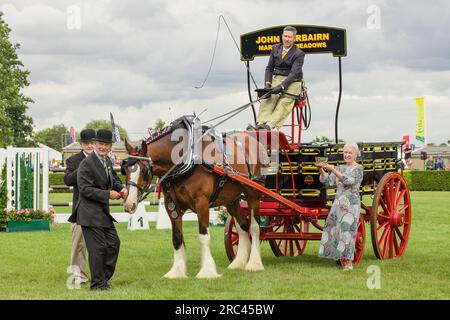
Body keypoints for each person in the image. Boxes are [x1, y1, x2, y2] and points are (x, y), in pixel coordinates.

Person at [69, 129, 128, 290]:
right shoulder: (86, 164)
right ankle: (97, 284)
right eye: (100, 144)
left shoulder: (106, 161)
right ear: (95, 144)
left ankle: (102, 278)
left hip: (102, 213)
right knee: (98, 249)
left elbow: (113, 179)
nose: (103, 147)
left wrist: (122, 188)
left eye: (106, 145)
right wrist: (108, 194)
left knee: (114, 243)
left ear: (110, 146)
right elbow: (85, 189)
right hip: (88, 213)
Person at [316, 143, 364, 271]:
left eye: (350, 153)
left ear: (355, 155)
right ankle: (337, 257)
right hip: (338, 204)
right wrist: (321, 169)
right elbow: (327, 181)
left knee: (347, 231)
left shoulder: (358, 168)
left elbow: (348, 181)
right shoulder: (340, 167)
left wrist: (332, 169)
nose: (347, 155)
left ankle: (348, 263)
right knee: (333, 230)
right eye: (345, 152)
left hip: (351, 205)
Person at [254, 26, 305, 130]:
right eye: (285, 36)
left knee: (284, 102)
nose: (287, 39)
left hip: (293, 82)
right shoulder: (275, 48)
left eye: (290, 37)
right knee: (268, 99)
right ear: (282, 36)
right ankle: (260, 124)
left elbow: (294, 73)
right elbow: (269, 68)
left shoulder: (299, 54)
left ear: (294, 39)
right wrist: (268, 84)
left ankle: (270, 125)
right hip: (277, 78)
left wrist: (281, 87)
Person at [63, 128, 96, 285]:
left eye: (92, 143)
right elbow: (68, 180)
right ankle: (78, 276)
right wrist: (84, 166)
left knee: (99, 246)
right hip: (80, 209)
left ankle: (99, 276)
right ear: (81, 144)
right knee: (78, 246)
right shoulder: (73, 160)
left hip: (98, 210)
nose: (89, 146)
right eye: (86, 143)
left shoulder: (103, 159)